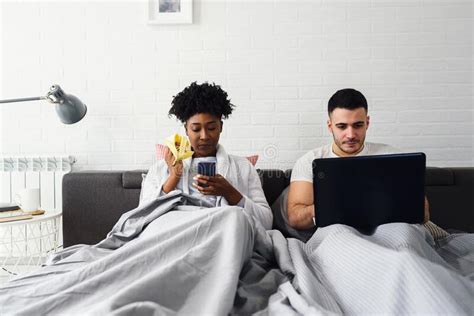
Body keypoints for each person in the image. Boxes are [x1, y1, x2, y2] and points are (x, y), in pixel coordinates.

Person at [287, 88, 431, 230]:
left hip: (389, 231)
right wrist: (329, 205)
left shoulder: (393, 157)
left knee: (406, 237)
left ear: (367, 123)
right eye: (342, 126)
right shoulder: (309, 161)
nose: (350, 134)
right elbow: (295, 218)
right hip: (338, 232)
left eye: (358, 125)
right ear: (330, 126)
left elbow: (423, 215)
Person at [140, 81, 272, 229]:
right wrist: (173, 178)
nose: (204, 136)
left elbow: (266, 222)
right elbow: (141, 218)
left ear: (221, 127)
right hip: (177, 229)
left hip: (221, 229)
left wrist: (230, 192)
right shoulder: (160, 168)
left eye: (211, 128)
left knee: (235, 217)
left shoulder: (242, 167)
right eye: (196, 129)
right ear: (186, 129)